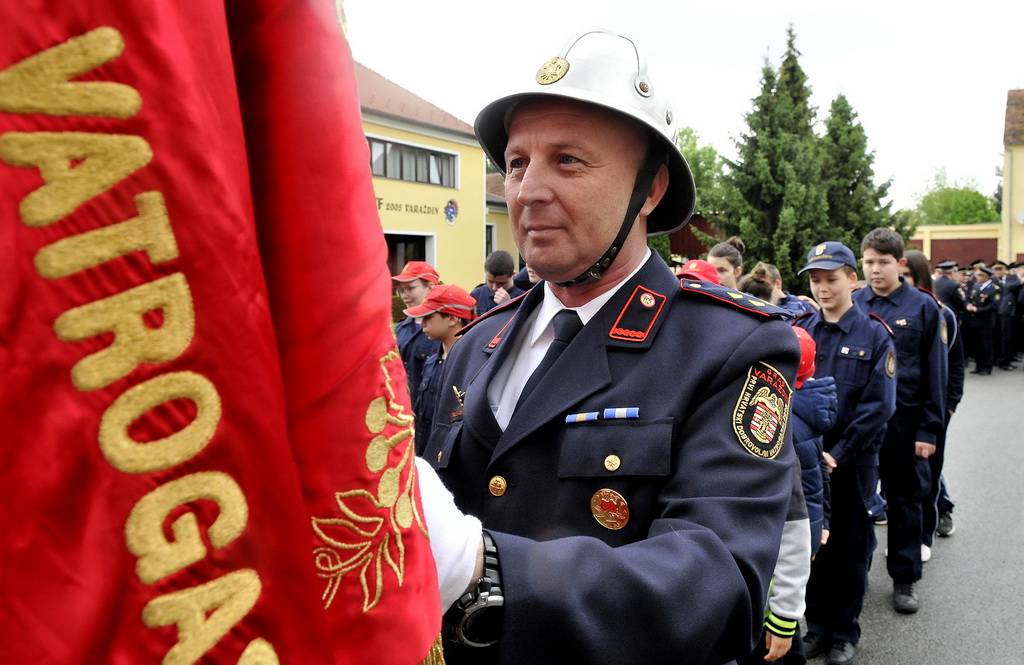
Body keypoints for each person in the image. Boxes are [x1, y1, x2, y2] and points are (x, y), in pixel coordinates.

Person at [414, 30, 800, 665]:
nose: (527, 191)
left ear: (648, 191)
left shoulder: (730, 347)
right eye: (516, 163)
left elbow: (718, 580)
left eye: (568, 160)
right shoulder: (477, 342)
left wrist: (484, 568)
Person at [795, 241, 897, 665]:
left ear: (852, 280)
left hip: (853, 461)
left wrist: (839, 451)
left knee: (851, 549)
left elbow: (880, 405)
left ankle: (843, 631)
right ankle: (817, 626)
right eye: (816, 280)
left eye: (831, 279)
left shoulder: (874, 334)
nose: (822, 288)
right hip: (809, 460)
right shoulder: (801, 330)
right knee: (813, 544)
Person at [852, 228, 946, 616]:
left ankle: (905, 578)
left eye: (883, 262)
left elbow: (934, 373)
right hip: (863, 423)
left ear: (901, 264)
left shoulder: (923, 307)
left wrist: (929, 429)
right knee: (856, 504)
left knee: (905, 501)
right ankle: (852, 579)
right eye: (869, 262)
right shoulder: (856, 302)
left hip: (905, 424)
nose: (875, 270)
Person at [739, 327, 835, 665]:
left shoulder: (767, 427)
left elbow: (798, 508)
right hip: (756, 577)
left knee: (779, 651)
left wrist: (784, 615)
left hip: (773, 574)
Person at [901, 250, 964, 550]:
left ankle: (940, 514)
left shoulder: (940, 312)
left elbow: (953, 364)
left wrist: (949, 404)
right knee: (910, 475)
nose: (903, 283)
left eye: (909, 277)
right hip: (901, 407)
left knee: (929, 470)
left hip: (934, 408)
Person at [406, 284, 478, 455]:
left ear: (453, 319)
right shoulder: (431, 362)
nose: (422, 323)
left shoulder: (473, 364)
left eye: (429, 317)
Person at [393, 260, 442, 395]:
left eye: (411, 288)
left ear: (431, 287)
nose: (404, 295)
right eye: (401, 290)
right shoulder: (399, 330)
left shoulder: (443, 329)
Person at [963, 265, 1000, 375]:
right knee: (976, 344)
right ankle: (978, 366)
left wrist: (978, 309)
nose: (977, 277)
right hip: (975, 321)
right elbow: (968, 298)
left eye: (980, 275)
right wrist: (968, 305)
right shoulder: (976, 287)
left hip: (986, 320)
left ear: (986, 277)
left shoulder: (994, 288)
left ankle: (987, 367)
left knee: (986, 345)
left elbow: (994, 305)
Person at [471, 250, 526, 315]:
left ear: (513, 274)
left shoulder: (523, 298)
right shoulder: (477, 294)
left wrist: (508, 306)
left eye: (501, 283)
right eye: (490, 281)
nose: (494, 288)